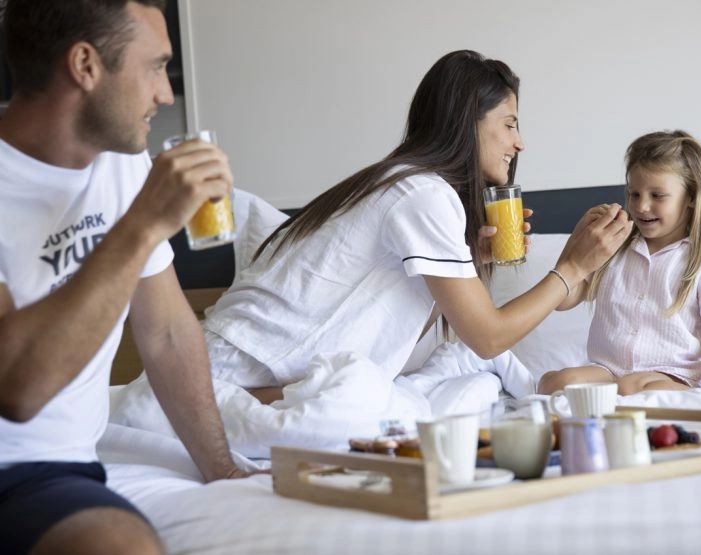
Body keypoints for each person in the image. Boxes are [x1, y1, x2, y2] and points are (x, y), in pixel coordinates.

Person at [201, 49, 633, 404]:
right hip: (226, 374)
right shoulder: (423, 194)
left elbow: (403, 327)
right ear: (469, 121)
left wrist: (466, 258)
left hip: (232, 374)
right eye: (510, 123)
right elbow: (488, 339)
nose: (519, 143)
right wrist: (573, 268)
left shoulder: (402, 181)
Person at [0, 1, 254, 553]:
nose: (165, 94)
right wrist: (142, 224)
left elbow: (163, 332)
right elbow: (15, 389)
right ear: (86, 65)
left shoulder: (121, 162)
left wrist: (221, 468)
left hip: (54, 473)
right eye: (155, 66)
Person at [537, 130, 701, 396]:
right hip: (608, 371)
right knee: (553, 383)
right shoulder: (611, 250)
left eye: (657, 196)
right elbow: (562, 300)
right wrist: (576, 245)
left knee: (631, 386)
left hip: (671, 376)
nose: (642, 206)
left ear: (690, 197)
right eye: (634, 194)